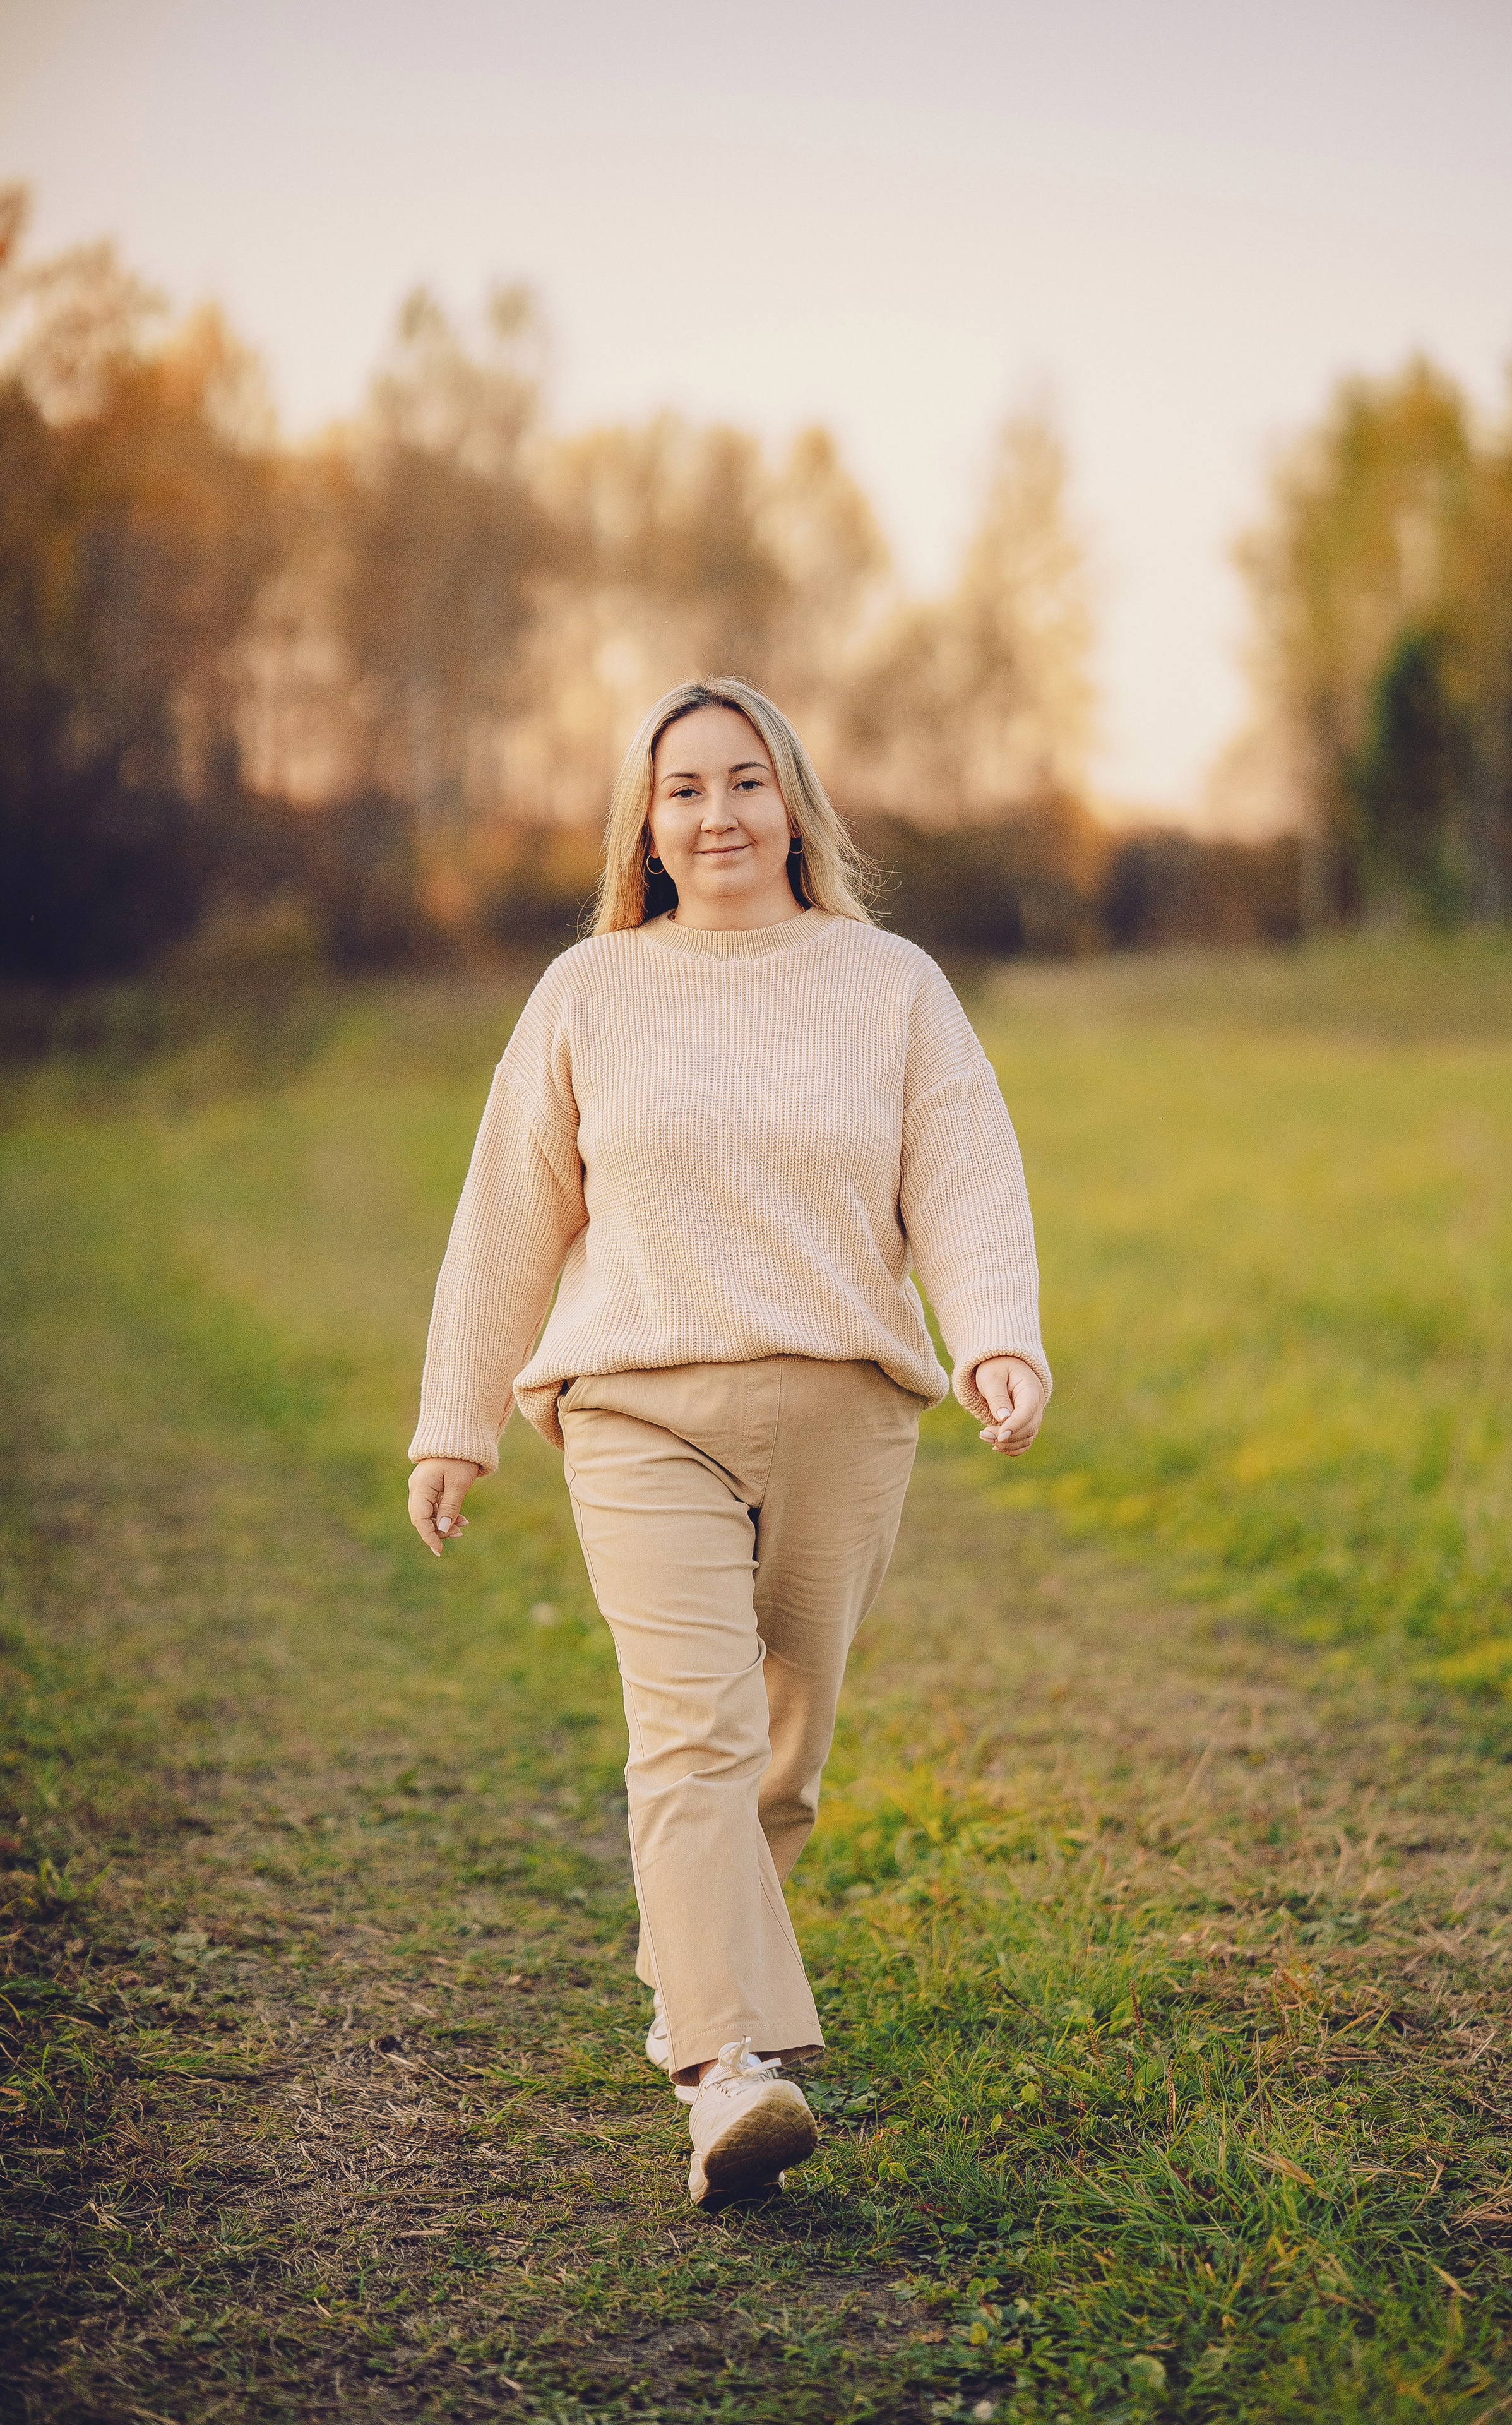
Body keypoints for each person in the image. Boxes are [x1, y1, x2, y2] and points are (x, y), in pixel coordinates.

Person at [407, 677, 1049, 2207]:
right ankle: (727, 2073)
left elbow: (960, 1173)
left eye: (744, 782)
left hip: (844, 1402)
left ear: (792, 805)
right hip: (636, 1408)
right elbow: (508, 1216)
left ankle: (689, 1979)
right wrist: (456, 1420)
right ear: (644, 822)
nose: (715, 814)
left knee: (778, 1764)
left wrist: (998, 1336)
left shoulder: (888, 982)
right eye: (682, 788)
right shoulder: (586, 993)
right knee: (688, 1728)